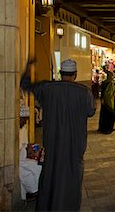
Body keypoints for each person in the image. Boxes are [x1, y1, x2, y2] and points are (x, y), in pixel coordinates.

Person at [20, 59, 95, 211]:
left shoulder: (47, 88)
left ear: (61, 73)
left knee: (50, 175)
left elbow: (25, 85)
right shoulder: (84, 91)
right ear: (75, 74)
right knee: (72, 178)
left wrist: (29, 68)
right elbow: (90, 111)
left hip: (53, 143)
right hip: (74, 145)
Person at [19, 98, 42, 202]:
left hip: (25, 155)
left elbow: (28, 145)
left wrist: (36, 149)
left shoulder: (23, 128)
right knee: (36, 166)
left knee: (40, 164)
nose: (25, 122)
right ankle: (34, 190)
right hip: (21, 159)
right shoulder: (15, 129)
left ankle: (36, 189)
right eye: (24, 119)